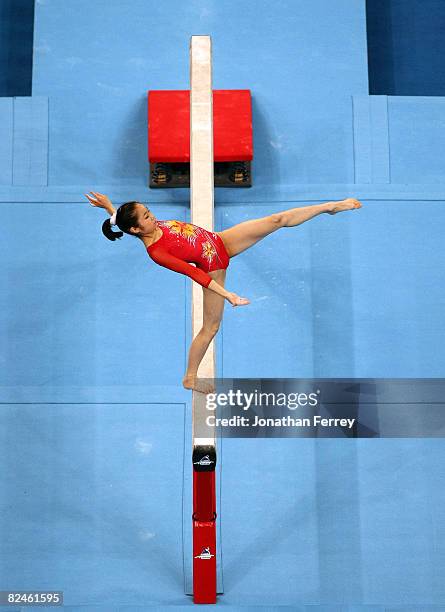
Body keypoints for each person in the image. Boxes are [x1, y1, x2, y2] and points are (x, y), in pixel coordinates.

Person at [85, 191, 362, 392]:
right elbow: (195, 274)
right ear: (136, 229)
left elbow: (121, 221)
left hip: (220, 241)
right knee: (211, 328)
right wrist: (228, 294)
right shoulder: (157, 252)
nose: (153, 216)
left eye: (149, 209)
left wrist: (110, 208)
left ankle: (330, 207)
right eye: (146, 216)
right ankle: (190, 378)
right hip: (212, 266)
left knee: (278, 219)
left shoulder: (142, 226)